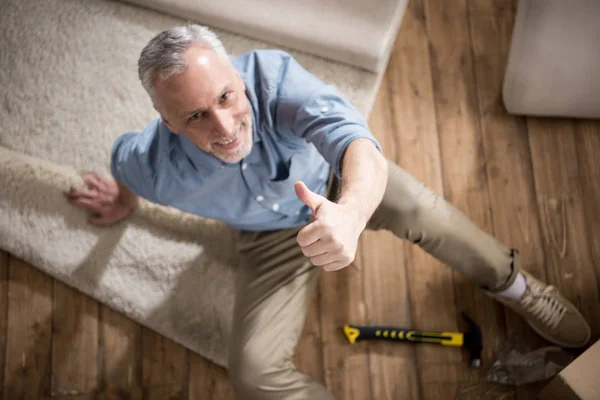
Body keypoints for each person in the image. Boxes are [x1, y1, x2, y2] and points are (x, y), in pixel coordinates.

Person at [65, 25, 591, 399]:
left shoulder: (273, 77)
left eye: (227, 96)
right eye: (197, 115)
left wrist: (351, 213)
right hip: (267, 239)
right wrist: (125, 198)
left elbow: (353, 140)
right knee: (251, 374)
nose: (225, 127)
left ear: (238, 75)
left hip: (338, 182)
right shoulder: (153, 167)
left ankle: (517, 286)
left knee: (422, 210)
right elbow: (124, 164)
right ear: (167, 121)